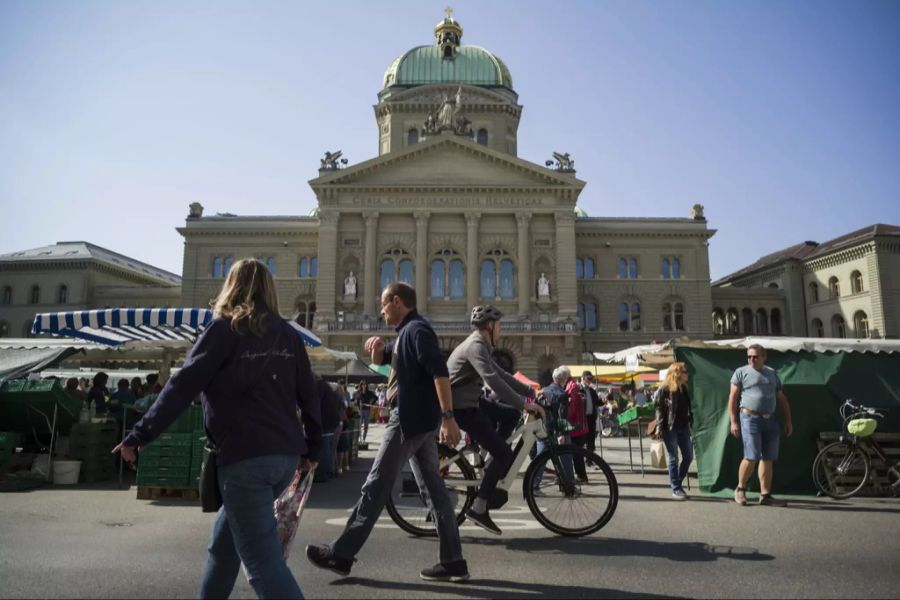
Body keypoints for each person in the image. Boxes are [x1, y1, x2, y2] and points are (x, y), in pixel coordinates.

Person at [112, 257, 322, 599]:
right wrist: (314, 448)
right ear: (269, 290)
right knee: (223, 550)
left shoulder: (225, 328)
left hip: (244, 458)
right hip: (283, 457)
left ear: (232, 286)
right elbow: (310, 396)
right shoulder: (289, 334)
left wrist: (140, 434)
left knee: (262, 565)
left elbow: (182, 386)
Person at [306, 282, 469, 583]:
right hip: (418, 422)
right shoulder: (407, 333)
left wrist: (449, 417)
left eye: (383, 304)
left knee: (376, 484)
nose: (380, 311)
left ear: (397, 301)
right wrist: (379, 351)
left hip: (407, 420)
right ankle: (453, 561)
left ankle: (341, 554)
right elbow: (388, 359)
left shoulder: (417, 331)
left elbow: (440, 372)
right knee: (434, 490)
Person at [446, 305, 544, 535]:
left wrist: (530, 392)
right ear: (489, 326)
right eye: (499, 325)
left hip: (470, 401)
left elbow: (502, 374)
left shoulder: (481, 345)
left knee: (510, 415)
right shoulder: (476, 345)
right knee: (505, 453)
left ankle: (491, 461)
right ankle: (479, 507)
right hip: (462, 408)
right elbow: (492, 380)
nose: (501, 330)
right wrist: (525, 404)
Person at [729, 344, 793, 507]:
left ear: (764, 357)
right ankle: (740, 489)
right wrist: (734, 421)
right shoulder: (741, 372)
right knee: (751, 456)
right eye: (749, 356)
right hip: (749, 418)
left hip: (770, 420)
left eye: (755, 356)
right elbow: (733, 397)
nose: (751, 359)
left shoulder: (772, 373)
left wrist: (788, 420)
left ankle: (765, 495)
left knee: (768, 458)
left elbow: (781, 397)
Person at [654, 362, 694, 500]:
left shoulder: (684, 388)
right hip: (669, 427)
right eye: (684, 371)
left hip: (684, 427)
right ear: (677, 373)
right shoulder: (664, 389)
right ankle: (676, 488)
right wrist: (659, 427)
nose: (687, 374)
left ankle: (676, 482)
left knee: (688, 456)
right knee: (673, 457)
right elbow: (659, 409)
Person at [579, 371, 600, 453]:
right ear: (583, 378)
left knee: (591, 439)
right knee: (582, 439)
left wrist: (603, 401)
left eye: (591, 379)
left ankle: (590, 459)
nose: (590, 381)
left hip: (591, 417)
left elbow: (597, 402)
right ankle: (582, 456)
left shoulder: (592, 390)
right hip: (582, 418)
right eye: (588, 379)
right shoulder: (578, 389)